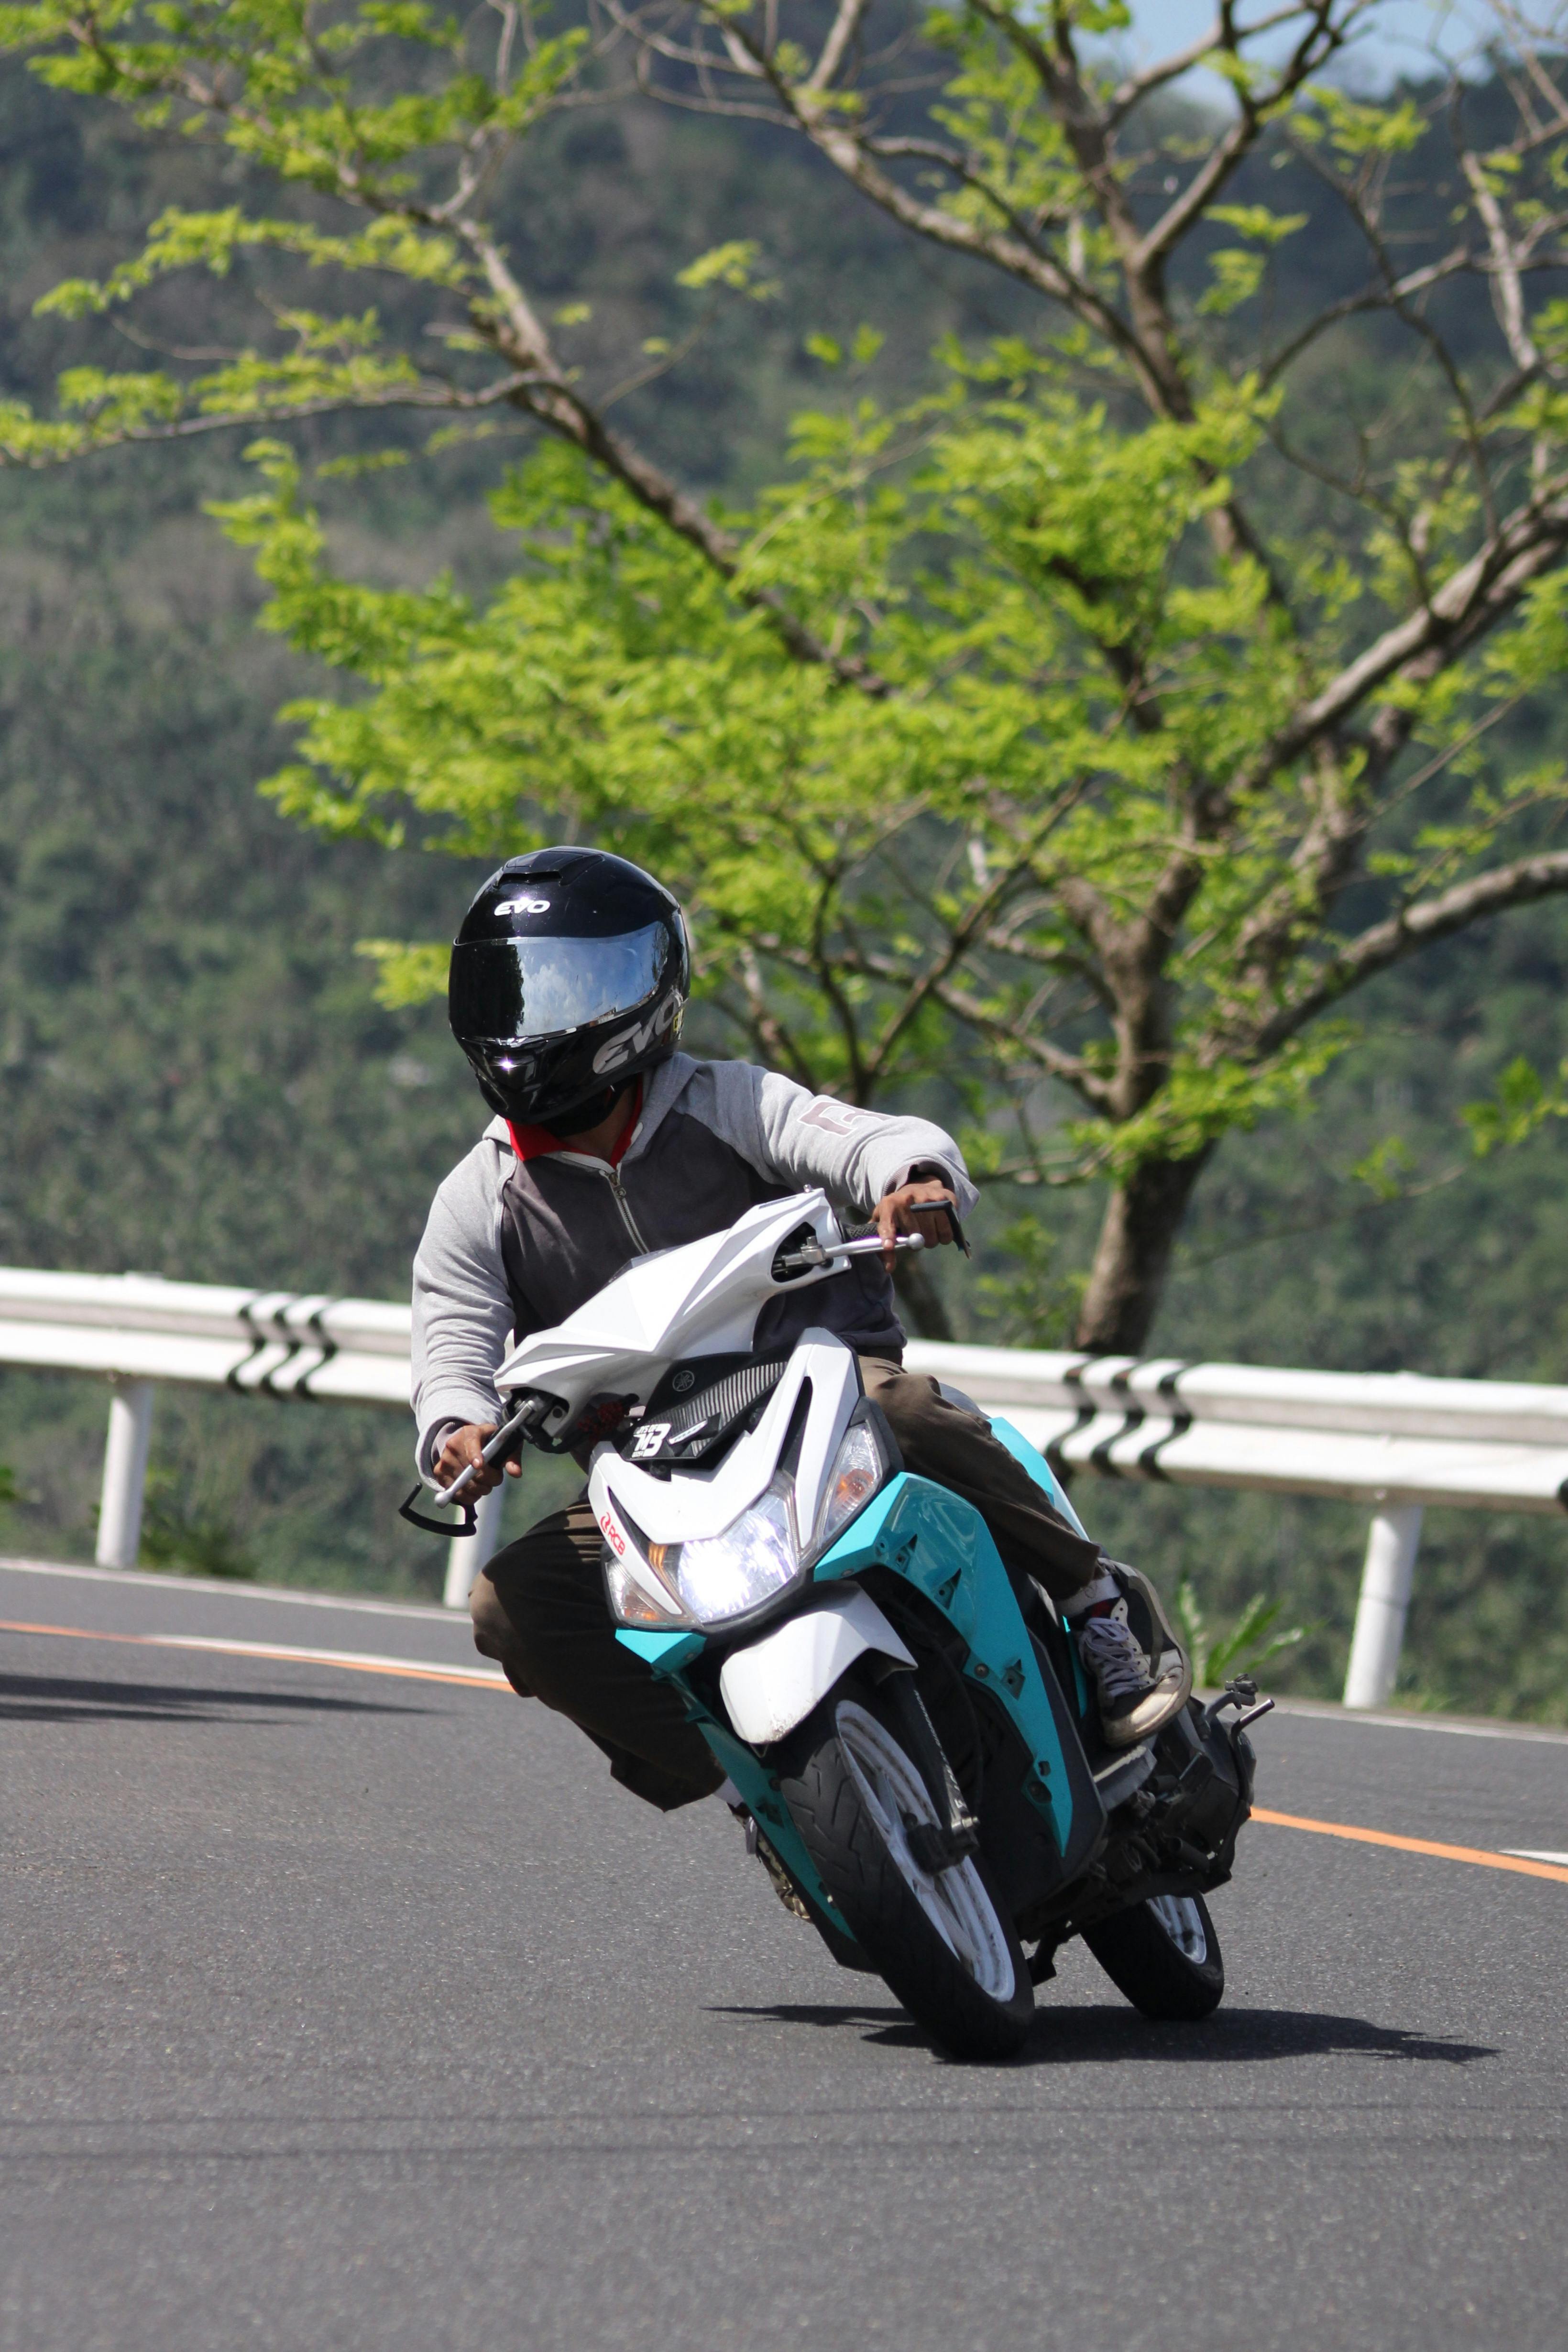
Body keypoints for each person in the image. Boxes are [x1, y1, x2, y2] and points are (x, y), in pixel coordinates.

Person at [412, 846, 1190, 1818]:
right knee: (510, 1605)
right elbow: (453, 1333)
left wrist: (913, 1178)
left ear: (646, 991)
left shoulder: (727, 1103)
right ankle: (757, 1780)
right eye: (521, 992)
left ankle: (1094, 1603)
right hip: (653, 1473)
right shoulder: (478, 1197)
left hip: (818, 1392)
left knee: (906, 1407)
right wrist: (457, 1425)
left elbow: (862, 1138)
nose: (538, 1022)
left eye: (575, 986)